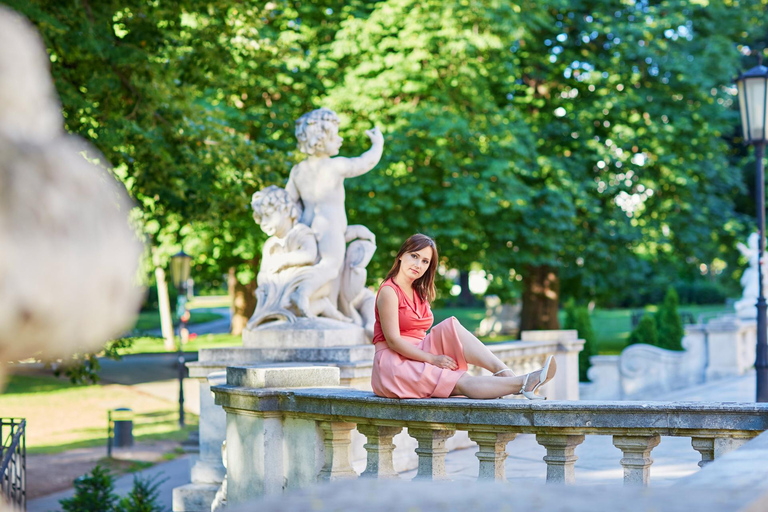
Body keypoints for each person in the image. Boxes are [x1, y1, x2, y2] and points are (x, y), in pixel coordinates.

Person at [371, 234, 557, 400]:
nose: (418, 265)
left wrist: (431, 357)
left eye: (425, 261)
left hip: (417, 352)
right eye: (414, 256)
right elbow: (394, 341)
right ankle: (524, 382)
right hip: (394, 365)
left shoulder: (418, 292)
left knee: (452, 327)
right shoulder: (389, 291)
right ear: (401, 255)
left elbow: (421, 334)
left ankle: (507, 375)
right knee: (458, 381)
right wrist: (432, 359)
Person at [286, 108, 384, 317]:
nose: (340, 139)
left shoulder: (298, 170)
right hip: (328, 224)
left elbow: (289, 202)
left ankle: (326, 308)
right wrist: (378, 145)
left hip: (307, 223)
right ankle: (303, 292)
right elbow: (364, 162)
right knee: (331, 266)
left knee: (331, 273)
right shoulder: (336, 165)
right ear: (321, 140)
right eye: (335, 135)